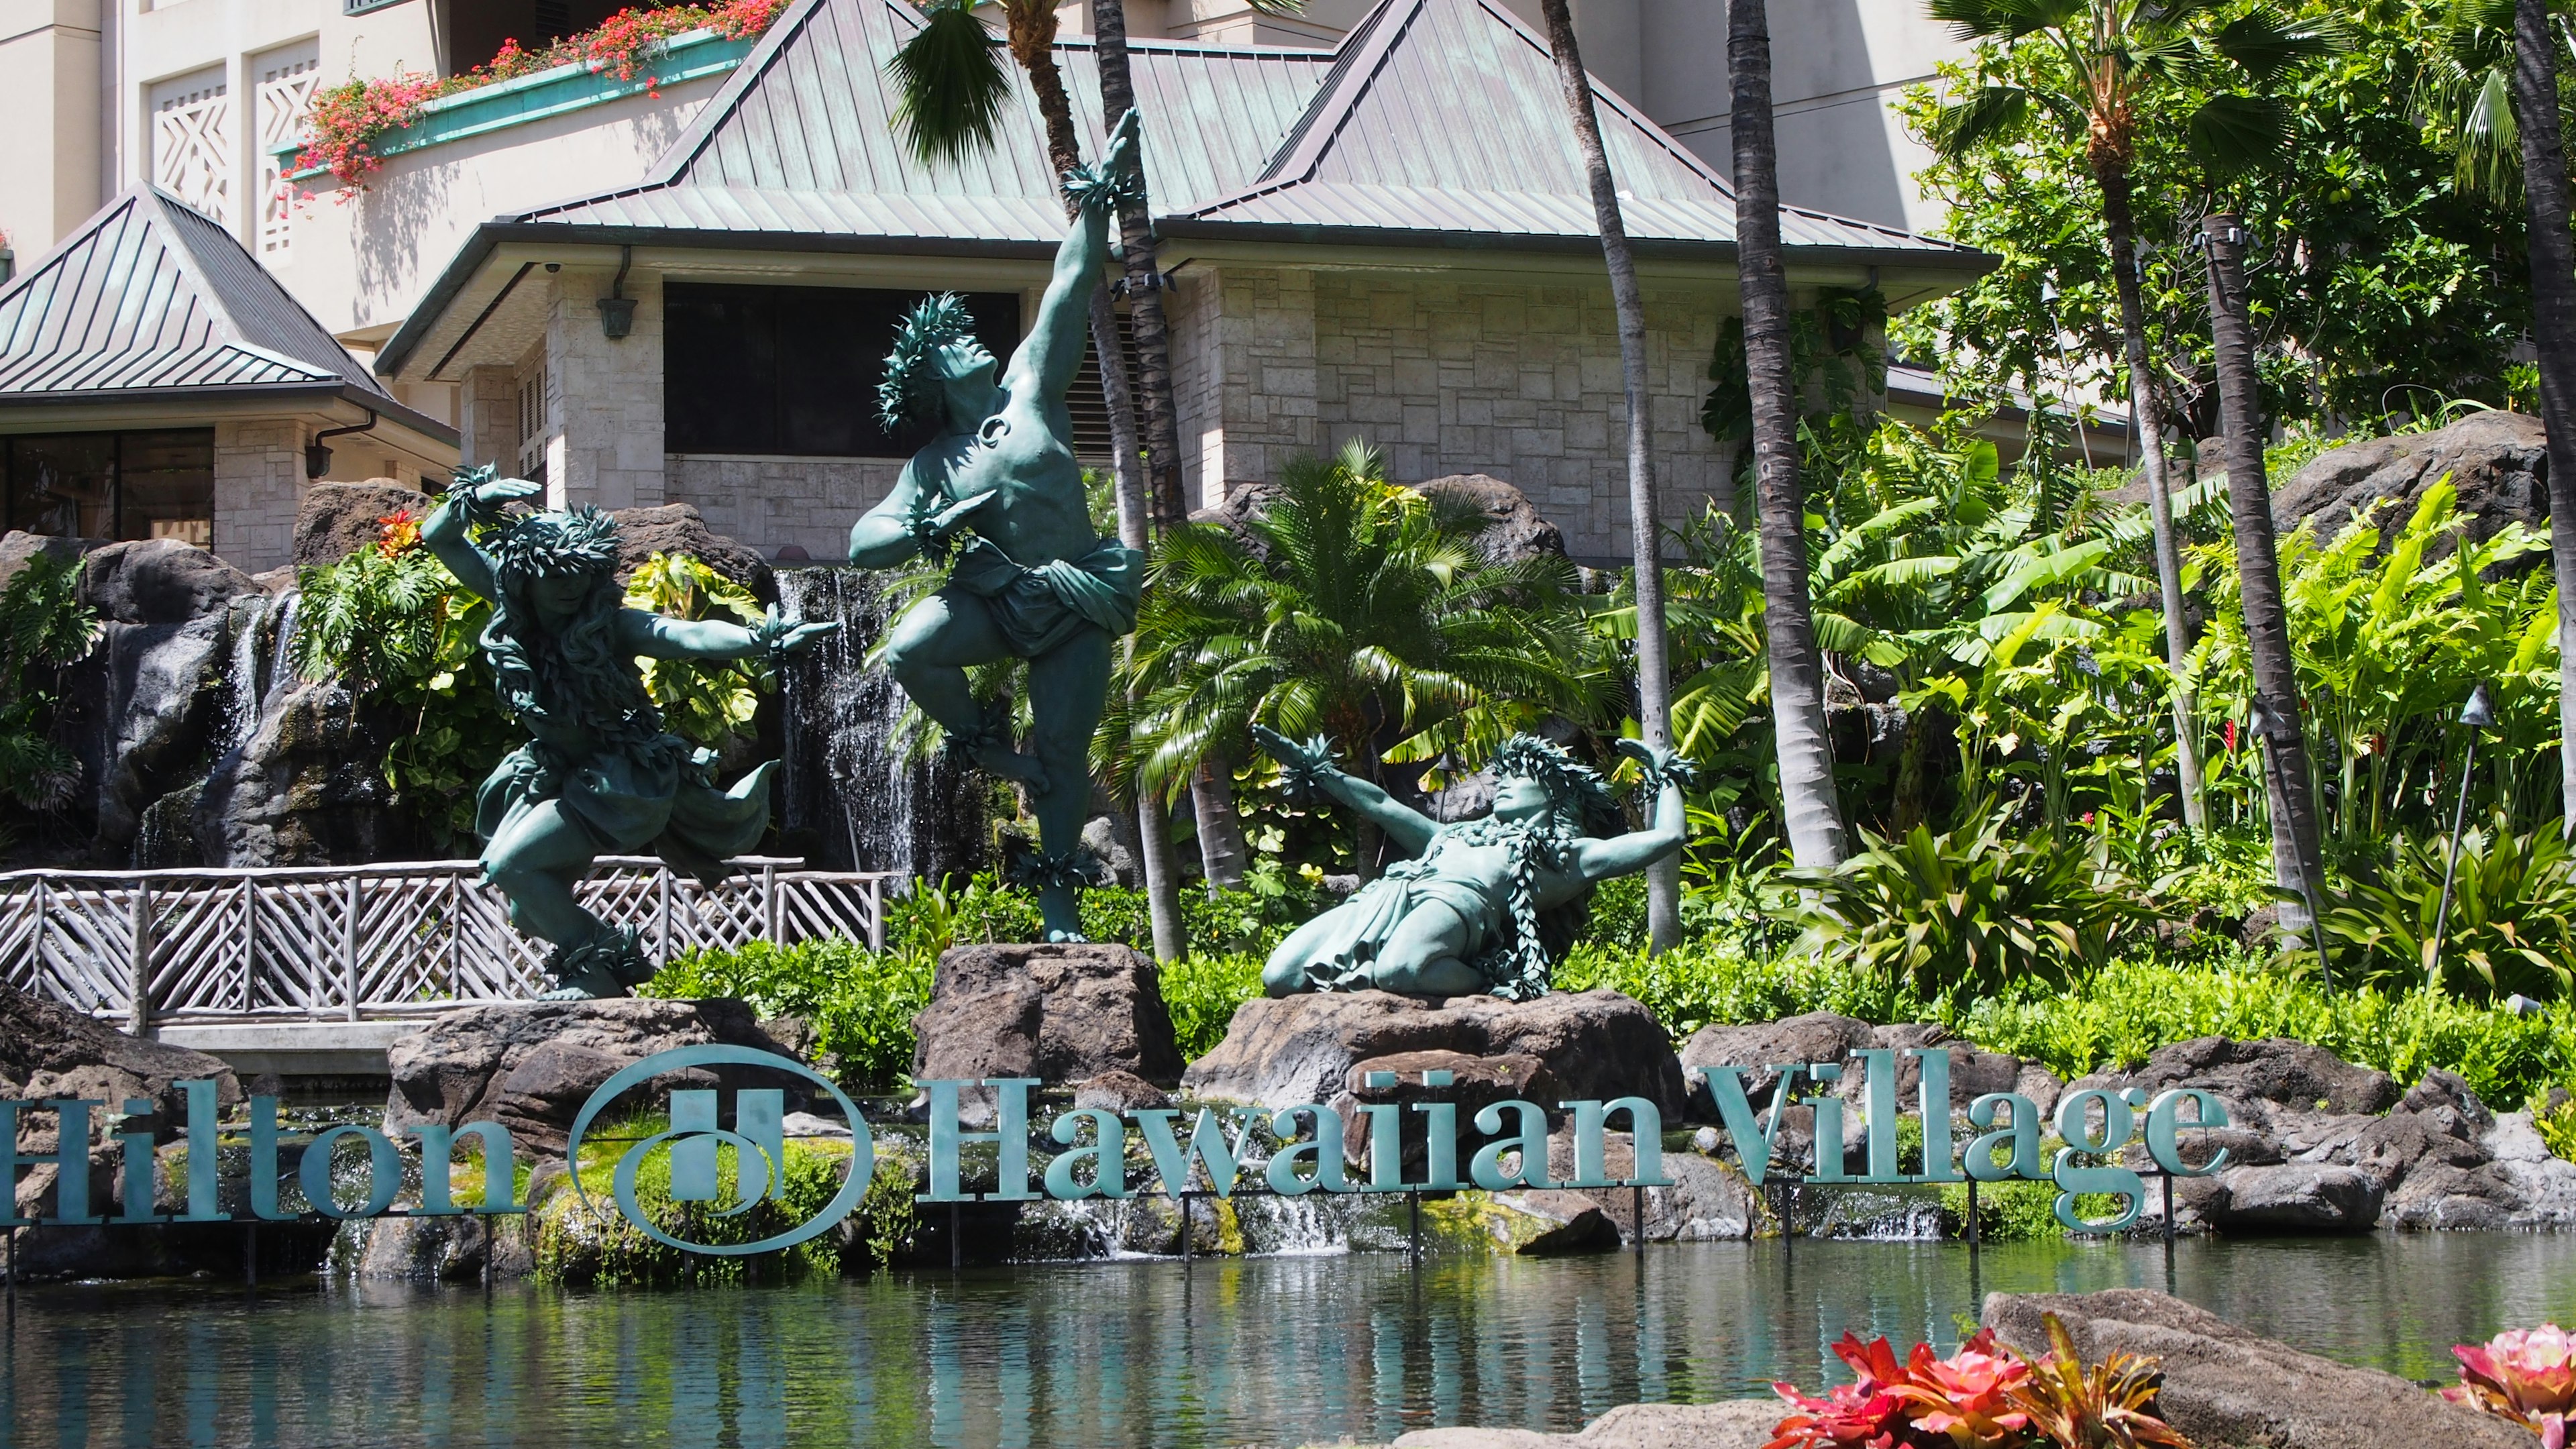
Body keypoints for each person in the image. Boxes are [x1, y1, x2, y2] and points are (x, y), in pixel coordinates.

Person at [847, 109, 1146, 943]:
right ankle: (985, 747)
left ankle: (1058, 909)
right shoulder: (933, 463)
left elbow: (1069, 284)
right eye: (952, 342)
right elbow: (862, 544)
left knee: (1063, 753)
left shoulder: (1030, 392)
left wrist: (1097, 198)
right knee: (907, 646)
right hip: (995, 600)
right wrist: (933, 521)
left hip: (1077, 597)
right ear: (933, 379)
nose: (973, 337)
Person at [421, 470, 837, 998]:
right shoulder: (513, 609)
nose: (570, 586)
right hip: (552, 770)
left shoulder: (611, 628)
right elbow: (439, 536)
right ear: (526, 578)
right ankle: (606, 967)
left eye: (582, 573)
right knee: (526, 907)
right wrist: (474, 500)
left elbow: (685, 634)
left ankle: (602, 966)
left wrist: (761, 640)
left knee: (513, 866)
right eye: (556, 575)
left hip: (614, 777)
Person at [1248, 726, 1695, 1000]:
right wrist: (1320, 772)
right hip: (1385, 897)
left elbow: (1668, 837)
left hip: (1459, 906)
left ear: (1555, 794)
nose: (1501, 784)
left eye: (1518, 778)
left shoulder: (1565, 857)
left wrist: (1667, 775)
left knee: (1399, 971)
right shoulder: (1454, 834)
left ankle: (1489, 978)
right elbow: (1381, 805)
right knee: (1280, 975)